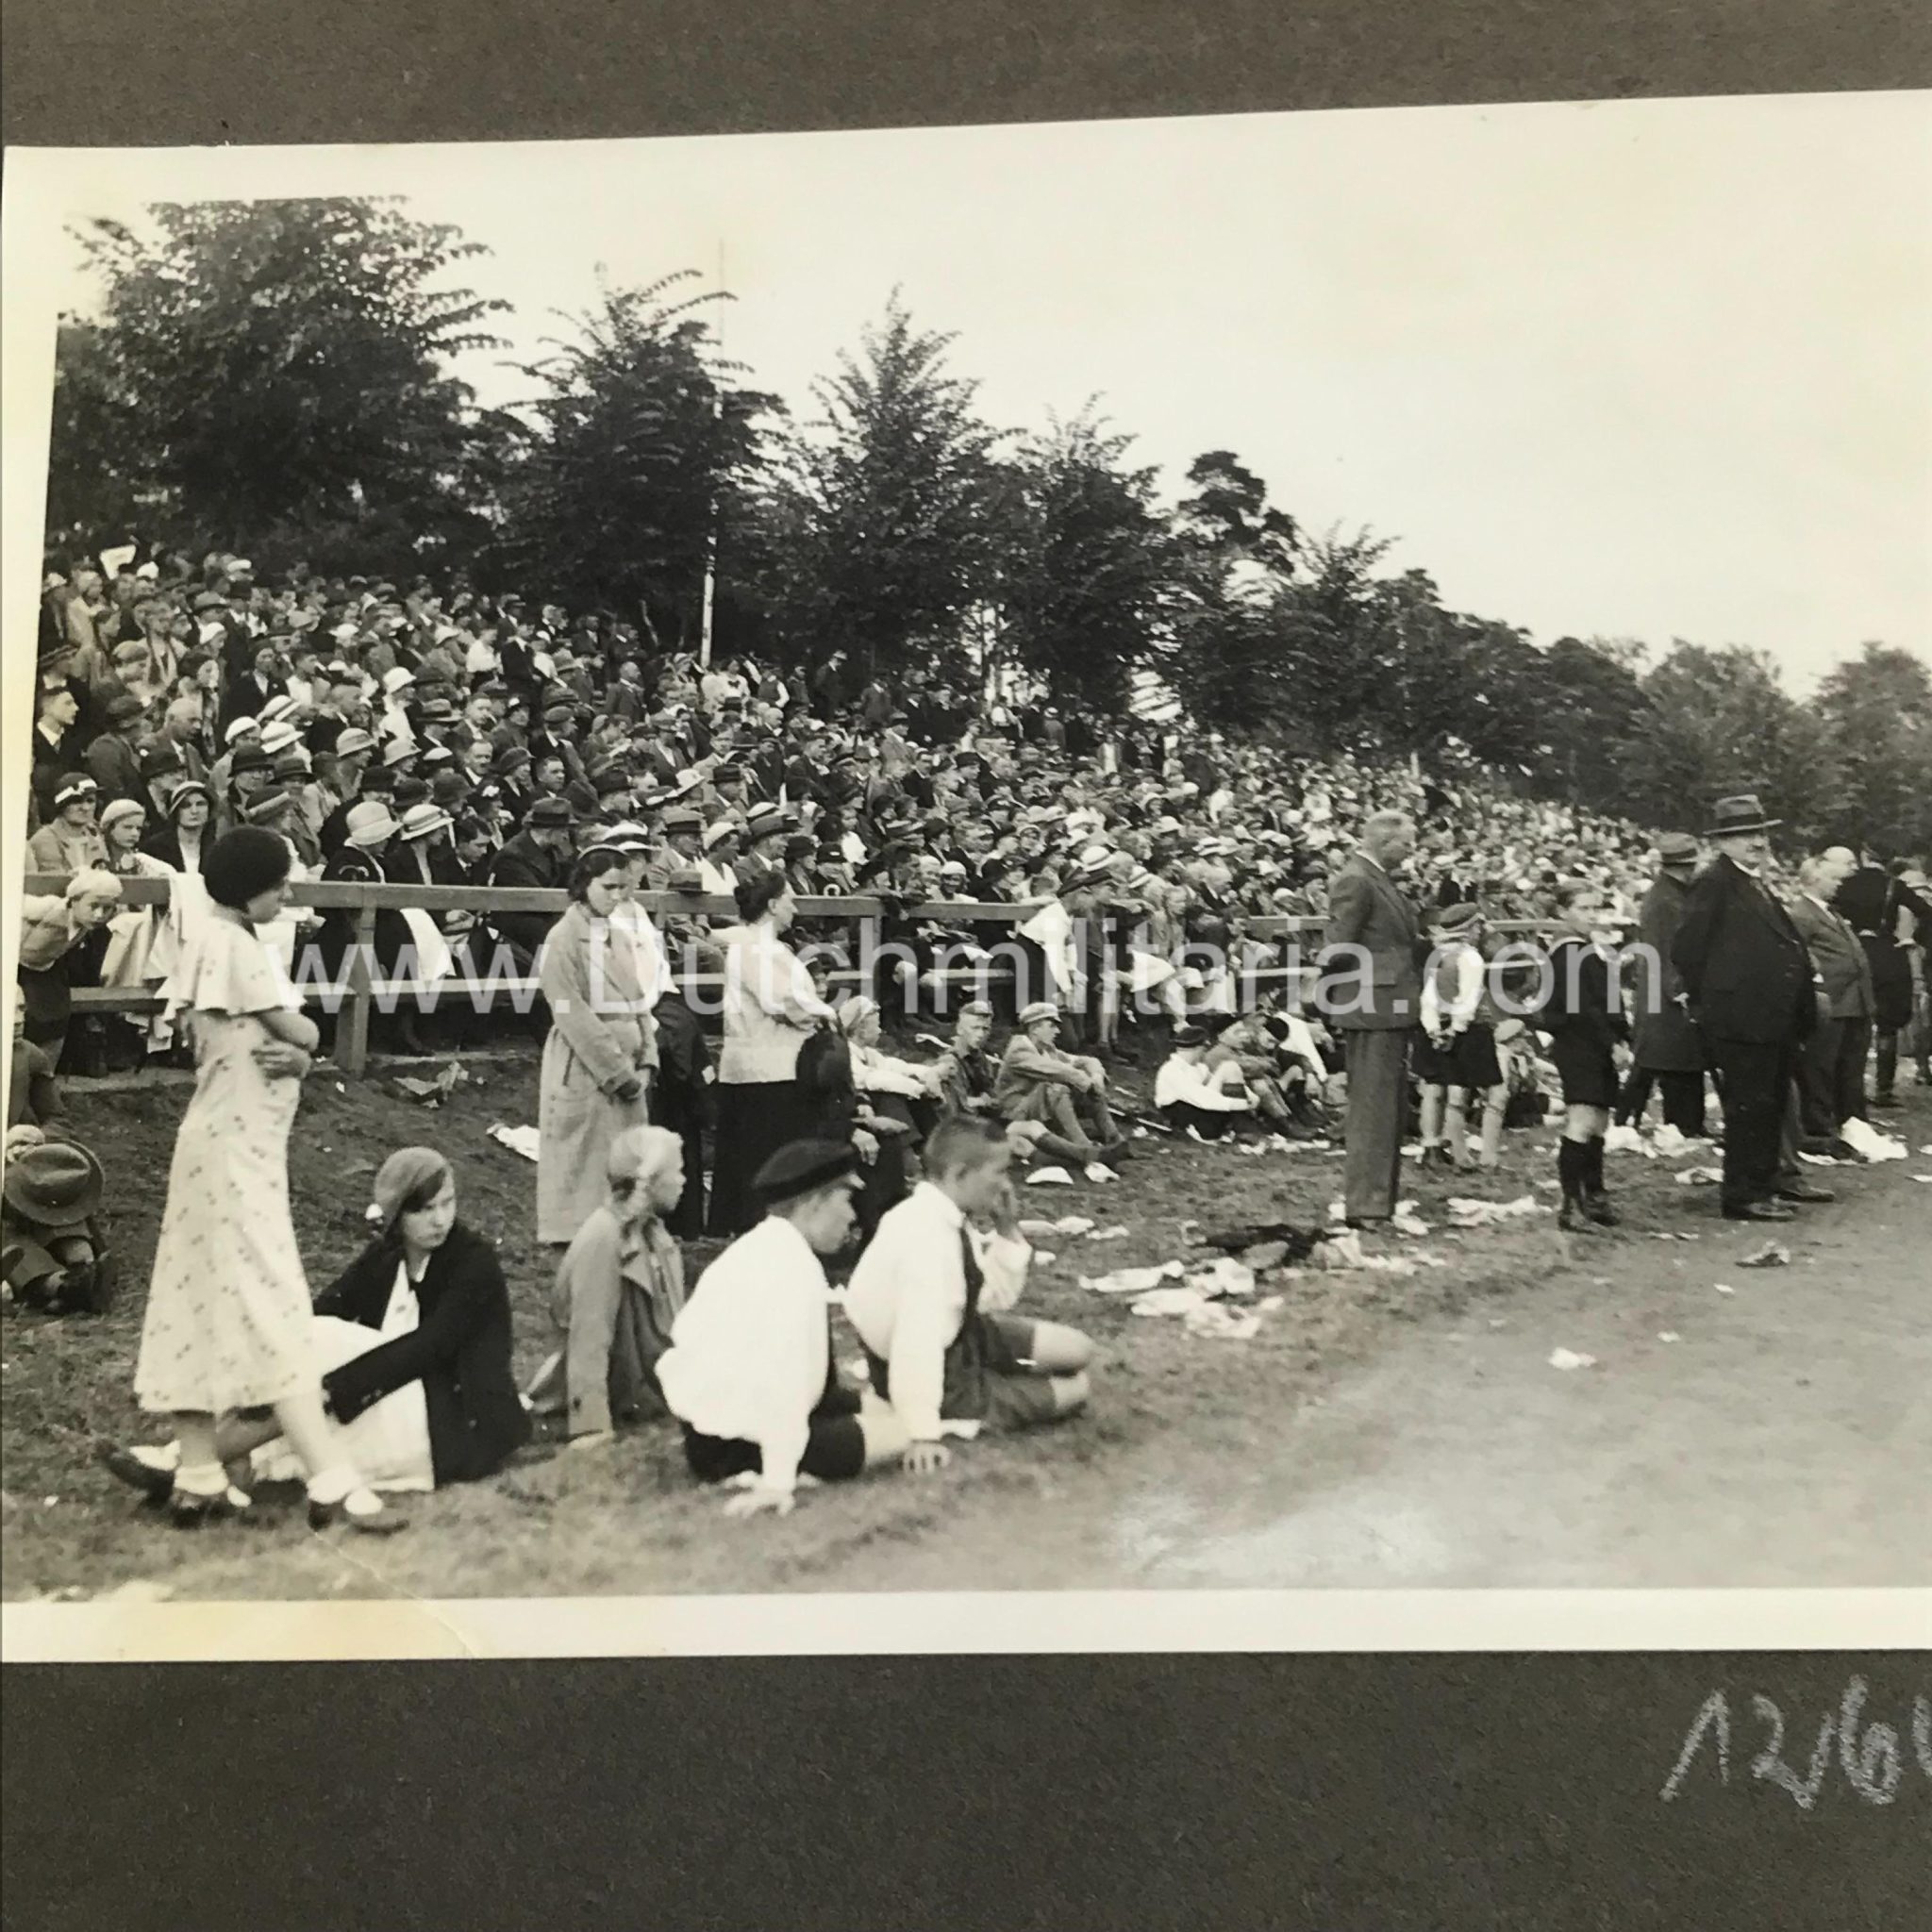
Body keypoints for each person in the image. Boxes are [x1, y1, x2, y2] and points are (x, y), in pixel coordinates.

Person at [116, 826, 402, 1530]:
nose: (289, 893)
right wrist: (307, 1043)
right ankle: (329, 1478)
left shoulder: (220, 944)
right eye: (278, 884)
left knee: (202, 1296)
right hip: (234, 1153)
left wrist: (300, 1056)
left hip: (226, 1146)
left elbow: (266, 1047)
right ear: (248, 888)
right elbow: (296, 1028)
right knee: (270, 1302)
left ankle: (200, 1466)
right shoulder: (235, 947)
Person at [105, 1148, 528, 1502]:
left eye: (447, 1204)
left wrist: (332, 1389)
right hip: (389, 1398)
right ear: (397, 1215)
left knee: (312, 1361)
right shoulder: (385, 1257)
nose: (440, 1220)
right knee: (304, 1344)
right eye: (424, 1210)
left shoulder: (474, 1263)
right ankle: (215, 1465)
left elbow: (430, 1346)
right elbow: (325, 1309)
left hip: (454, 1418)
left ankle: (188, 1461)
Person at [657, 1140, 911, 1515]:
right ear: (814, 1204)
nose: (852, 1217)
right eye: (845, 1202)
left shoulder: (765, 1247)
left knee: (893, 1411)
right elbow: (781, 1383)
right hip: (739, 1444)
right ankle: (785, 1468)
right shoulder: (789, 1269)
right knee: (907, 1432)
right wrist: (778, 1481)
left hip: (716, 1434)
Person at [845, 1116, 1093, 1466]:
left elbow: (987, 1297)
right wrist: (921, 1433)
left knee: (1078, 1350)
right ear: (961, 1174)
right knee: (1076, 1389)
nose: (1005, 1184)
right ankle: (947, 1406)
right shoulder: (925, 1238)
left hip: (964, 1336)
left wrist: (1006, 1229)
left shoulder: (945, 1214)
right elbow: (916, 1343)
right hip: (938, 1371)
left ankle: (994, 1376)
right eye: (999, 1172)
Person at [1671, 795, 1831, 1224]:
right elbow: (1687, 948)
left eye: (1760, 833)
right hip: (1740, 1020)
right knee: (1749, 1109)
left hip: (1768, 1019)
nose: (1757, 842)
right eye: (1745, 835)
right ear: (1724, 841)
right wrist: (1713, 1000)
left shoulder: (1751, 881)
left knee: (1768, 1105)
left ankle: (1763, 1185)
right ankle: (1742, 1195)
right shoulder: (1715, 881)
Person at [525, 1126, 689, 1442]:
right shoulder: (603, 1237)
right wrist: (592, 1425)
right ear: (650, 1181)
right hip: (612, 1391)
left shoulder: (654, 1234)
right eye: (677, 1172)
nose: (683, 1181)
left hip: (645, 1389)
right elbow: (589, 1336)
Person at [536, 848, 653, 1248]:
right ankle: (577, 1238)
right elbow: (571, 1012)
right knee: (582, 1160)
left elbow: (639, 1000)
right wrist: (617, 1070)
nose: (617, 896)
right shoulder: (562, 939)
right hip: (586, 1064)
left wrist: (647, 1056)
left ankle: (620, 1230)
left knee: (624, 1157)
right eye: (609, 887)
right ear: (584, 885)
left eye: (624, 888)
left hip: (630, 1065)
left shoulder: (618, 936)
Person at [708, 874, 837, 1237]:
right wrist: (826, 1014)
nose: (794, 908)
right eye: (790, 900)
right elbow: (780, 1001)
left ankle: (761, 1224)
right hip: (764, 1068)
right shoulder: (754, 948)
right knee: (764, 1154)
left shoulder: (766, 947)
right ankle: (758, 1226)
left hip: (769, 1064)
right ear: (773, 904)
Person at [1318, 809, 1421, 1227]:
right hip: (1371, 1008)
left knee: (1388, 1111)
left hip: (1386, 1007)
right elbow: (1337, 948)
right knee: (1372, 1112)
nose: (1412, 851)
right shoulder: (1356, 879)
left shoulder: (1375, 877)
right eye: (1407, 843)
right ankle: (1365, 1206)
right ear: (1384, 842)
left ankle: (1379, 1201)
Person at [1532, 884, 1629, 1230]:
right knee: (1582, 1119)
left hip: (1594, 1043)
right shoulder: (1568, 952)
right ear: (1562, 912)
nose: (1592, 915)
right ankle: (1571, 1205)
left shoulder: (1585, 950)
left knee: (1599, 1120)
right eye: (1583, 908)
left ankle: (1594, 1195)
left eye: (1595, 909)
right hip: (1580, 1043)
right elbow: (1583, 1009)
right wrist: (1612, 1042)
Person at [1787, 847, 1876, 1153]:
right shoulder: (1801, 914)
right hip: (1830, 1002)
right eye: (1833, 878)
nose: (1840, 884)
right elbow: (1798, 957)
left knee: (1849, 1065)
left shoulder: (1830, 911)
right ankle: (1819, 1127)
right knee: (1820, 1067)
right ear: (1814, 879)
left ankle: (1849, 1120)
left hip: (1853, 1001)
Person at [1619, 832, 1707, 1136]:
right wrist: (1681, 990)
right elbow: (1668, 948)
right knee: (1672, 1062)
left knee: (1661, 1062)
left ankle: (1633, 1121)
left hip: (1661, 992)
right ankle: (1682, 1125)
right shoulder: (1667, 901)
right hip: (1668, 996)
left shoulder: (1669, 894)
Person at [1412, 903, 1508, 1172]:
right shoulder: (1470, 958)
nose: (1480, 931)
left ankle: (1450, 1152)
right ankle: (1485, 1157)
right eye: (1477, 926)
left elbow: (1428, 999)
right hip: (1470, 1029)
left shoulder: (1437, 955)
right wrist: (1457, 1029)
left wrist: (1433, 1029)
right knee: (1494, 1092)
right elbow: (1467, 999)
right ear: (1468, 929)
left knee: (1446, 1091)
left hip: (1437, 1027)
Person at [1834, 854, 1932, 1109]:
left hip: (1851, 950)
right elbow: (1926, 912)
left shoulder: (1844, 882)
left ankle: (1847, 1090)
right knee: (1887, 1025)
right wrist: (1915, 939)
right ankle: (1884, 1089)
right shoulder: (1893, 885)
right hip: (1887, 953)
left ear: (1864, 856)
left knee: (1850, 1020)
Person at [992, 1001, 1128, 1164]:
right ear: (1035, 1028)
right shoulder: (1019, 1051)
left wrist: (1096, 1076)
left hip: (1038, 1106)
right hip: (1015, 1113)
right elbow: (1056, 1070)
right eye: (1051, 1026)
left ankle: (1114, 1139)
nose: (1057, 1031)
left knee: (1085, 1083)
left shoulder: (1047, 1048)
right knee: (1056, 1087)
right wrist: (1086, 1081)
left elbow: (1085, 1061)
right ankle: (1084, 1146)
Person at [15, 870, 124, 1069]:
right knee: (25, 1016)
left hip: (46, 966)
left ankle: (43, 1076)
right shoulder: (45, 907)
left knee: (57, 1016)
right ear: (74, 900)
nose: (99, 914)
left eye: (106, 908)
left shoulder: (88, 923)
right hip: (15, 966)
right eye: (93, 906)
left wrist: (84, 872)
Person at [1, 1136, 115, 1316]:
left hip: (35, 1167)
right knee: (10, 1239)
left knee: (57, 1190)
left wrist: (31, 1140)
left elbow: (57, 1118)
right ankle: (65, 1285)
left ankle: (85, 1268)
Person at [1154, 1022, 1256, 1139]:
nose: (1205, 1052)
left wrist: (1249, 1095)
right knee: (1218, 1110)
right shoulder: (1172, 1070)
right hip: (1182, 1113)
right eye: (1204, 1048)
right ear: (1197, 1048)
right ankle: (1242, 1129)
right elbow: (1202, 1099)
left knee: (1230, 1067)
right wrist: (1241, 1104)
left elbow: (1220, 1082)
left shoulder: (1200, 1068)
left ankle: (1242, 1129)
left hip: (1199, 1107)